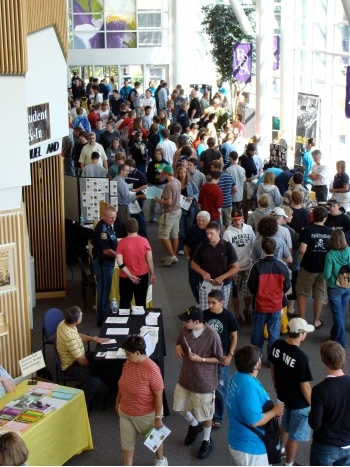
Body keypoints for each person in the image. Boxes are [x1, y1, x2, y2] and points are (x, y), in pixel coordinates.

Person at [174, 305, 223, 460]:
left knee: (206, 414)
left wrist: (201, 359)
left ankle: (206, 440)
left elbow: (219, 359)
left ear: (196, 322)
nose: (183, 324)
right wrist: (177, 347)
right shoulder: (185, 331)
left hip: (204, 382)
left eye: (186, 321)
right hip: (186, 378)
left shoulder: (212, 335)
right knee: (179, 407)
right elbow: (179, 340)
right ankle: (194, 425)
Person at [227, 344, 284, 466]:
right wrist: (274, 411)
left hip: (241, 439)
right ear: (256, 364)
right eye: (259, 357)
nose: (261, 358)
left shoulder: (238, 376)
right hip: (250, 447)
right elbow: (254, 420)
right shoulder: (248, 387)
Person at [116, 335, 168, 467]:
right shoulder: (128, 364)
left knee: (155, 440)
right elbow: (121, 384)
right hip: (125, 413)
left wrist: (158, 418)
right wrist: (118, 401)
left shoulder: (152, 369)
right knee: (126, 444)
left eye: (128, 354)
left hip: (145, 414)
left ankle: (161, 460)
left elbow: (158, 395)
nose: (126, 356)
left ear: (138, 353)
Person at [270, 318, 314, 466]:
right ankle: (288, 463)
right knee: (294, 437)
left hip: (283, 397)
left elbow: (273, 367)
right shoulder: (301, 357)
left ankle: (279, 449)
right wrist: (313, 405)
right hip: (299, 403)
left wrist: (276, 385)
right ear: (301, 334)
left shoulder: (277, 344)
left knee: (285, 425)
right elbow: (305, 387)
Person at [248, 237, 291, 363]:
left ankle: (256, 357)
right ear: (275, 249)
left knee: (257, 333)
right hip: (276, 305)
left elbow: (251, 286)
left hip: (260, 305)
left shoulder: (257, 266)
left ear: (262, 249)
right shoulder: (282, 266)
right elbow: (286, 286)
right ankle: (272, 358)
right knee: (274, 333)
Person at [309, 341, 350, 466]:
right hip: (347, 444)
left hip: (325, 445)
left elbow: (315, 424)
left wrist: (311, 413)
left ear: (323, 359)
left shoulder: (320, 390)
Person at [56, 306, 108, 403]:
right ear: (78, 320)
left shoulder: (63, 323)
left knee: (102, 358)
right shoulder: (69, 337)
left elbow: (77, 335)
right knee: (94, 379)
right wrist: (93, 367)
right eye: (81, 316)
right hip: (71, 365)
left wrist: (94, 338)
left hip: (79, 356)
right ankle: (81, 403)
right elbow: (81, 360)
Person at [203, 290, 239, 428]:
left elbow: (234, 337)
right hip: (207, 355)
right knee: (206, 384)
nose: (210, 305)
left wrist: (230, 355)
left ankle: (217, 416)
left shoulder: (229, 316)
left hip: (222, 355)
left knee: (220, 387)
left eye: (213, 303)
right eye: (209, 302)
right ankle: (206, 413)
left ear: (222, 303)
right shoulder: (205, 315)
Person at [296, 206, 332, 329]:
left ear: (313, 216)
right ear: (325, 218)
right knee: (319, 295)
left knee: (302, 293)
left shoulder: (307, 230)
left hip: (308, 266)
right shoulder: (330, 231)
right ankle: (316, 321)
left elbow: (302, 249)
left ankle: (302, 320)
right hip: (323, 268)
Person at [191, 221, 239, 310]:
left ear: (218, 232)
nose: (209, 236)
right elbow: (193, 264)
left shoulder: (227, 246)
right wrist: (203, 272)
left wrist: (222, 277)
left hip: (224, 284)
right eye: (207, 233)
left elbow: (236, 267)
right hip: (206, 284)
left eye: (211, 233)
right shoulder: (202, 246)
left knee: (221, 310)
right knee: (205, 309)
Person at [223, 209, 255, 325]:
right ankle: (237, 314)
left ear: (243, 218)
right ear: (232, 220)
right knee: (235, 292)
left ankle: (247, 311)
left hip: (248, 266)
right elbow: (226, 253)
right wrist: (230, 268)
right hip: (235, 267)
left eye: (239, 219)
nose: (237, 222)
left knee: (248, 292)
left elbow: (253, 244)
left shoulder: (249, 229)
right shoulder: (228, 233)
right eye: (235, 220)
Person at [116, 218, 155, 309]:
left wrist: (130, 275)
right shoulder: (144, 241)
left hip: (125, 277)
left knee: (125, 302)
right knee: (141, 302)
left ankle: (124, 321)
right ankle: (140, 321)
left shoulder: (121, 243)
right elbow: (150, 260)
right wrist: (152, 274)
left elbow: (120, 262)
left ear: (126, 229)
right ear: (137, 228)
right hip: (142, 276)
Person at [92, 204, 118, 326]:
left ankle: (105, 317)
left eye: (114, 217)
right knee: (103, 292)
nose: (113, 219)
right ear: (104, 216)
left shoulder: (109, 226)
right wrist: (119, 256)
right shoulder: (102, 229)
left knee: (106, 291)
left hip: (108, 263)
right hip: (103, 264)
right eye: (110, 217)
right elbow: (106, 250)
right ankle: (101, 320)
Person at [324, 230, 350, 348]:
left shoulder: (330, 254)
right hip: (347, 285)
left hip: (334, 287)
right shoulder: (349, 250)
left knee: (337, 314)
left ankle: (341, 340)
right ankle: (334, 334)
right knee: (341, 312)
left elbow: (327, 274)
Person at [155, 165, 181, 266]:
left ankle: (172, 256)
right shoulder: (177, 182)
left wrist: (158, 200)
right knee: (175, 234)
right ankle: (172, 255)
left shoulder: (168, 185)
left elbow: (168, 201)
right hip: (177, 210)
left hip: (169, 212)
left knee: (163, 235)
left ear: (165, 174)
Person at [184, 211, 210, 303]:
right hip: (193, 262)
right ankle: (199, 300)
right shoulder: (191, 229)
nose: (200, 223)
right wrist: (188, 258)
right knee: (193, 283)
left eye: (203, 221)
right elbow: (186, 245)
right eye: (198, 220)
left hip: (207, 263)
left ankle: (206, 302)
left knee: (207, 284)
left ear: (208, 221)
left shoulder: (211, 231)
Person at [176, 166, 199, 255]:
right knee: (181, 230)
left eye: (184, 172)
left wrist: (192, 197)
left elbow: (197, 193)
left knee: (190, 228)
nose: (182, 174)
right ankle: (181, 247)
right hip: (179, 209)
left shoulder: (190, 183)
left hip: (190, 209)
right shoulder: (176, 183)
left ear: (186, 174)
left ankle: (190, 246)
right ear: (178, 174)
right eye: (180, 172)